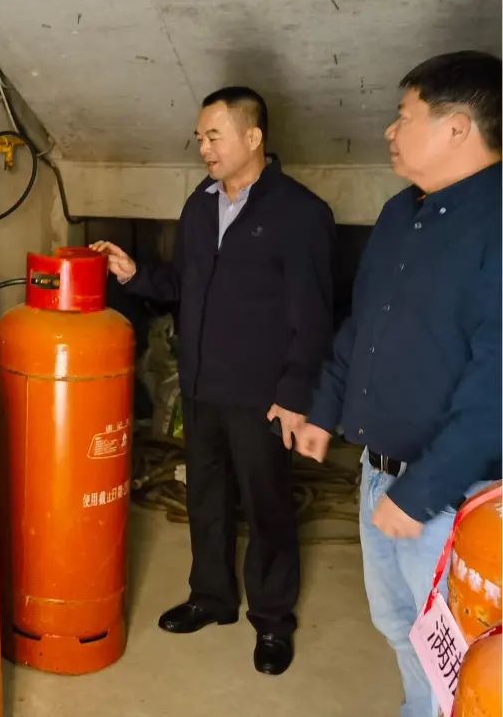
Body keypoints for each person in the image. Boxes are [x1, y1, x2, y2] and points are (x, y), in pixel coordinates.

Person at [92, 86, 335, 675]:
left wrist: (294, 394)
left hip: (262, 395)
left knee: (267, 505)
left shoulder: (300, 213)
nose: (204, 147)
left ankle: (272, 620)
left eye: (214, 136)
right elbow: (183, 284)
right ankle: (212, 596)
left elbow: (314, 315)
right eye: (199, 137)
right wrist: (133, 273)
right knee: (205, 494)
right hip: (201, 384)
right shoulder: (200, 206)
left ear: (253, 137)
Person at [295, 51, 502, 717]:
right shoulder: (398, 215)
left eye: (403, 116)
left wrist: (420, 495)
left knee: (462, 652)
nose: (389, 130)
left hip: (454, 498)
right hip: (379, 476)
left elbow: (496, 389)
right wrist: (323, 408)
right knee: (401, 626)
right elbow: (364, 325)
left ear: (457, 127)